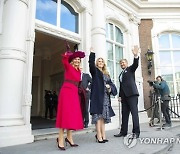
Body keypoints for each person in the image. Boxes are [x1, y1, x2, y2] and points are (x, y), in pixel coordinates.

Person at [55, 45, 85, 151]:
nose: (77, 60)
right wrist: (68, 54)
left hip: (74, 93)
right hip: (66, 92)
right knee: (64, 114)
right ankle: (61, 139)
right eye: (76, 59)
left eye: (78, 59)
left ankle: (69, 138)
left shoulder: (79, 71)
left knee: (71, 115)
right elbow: (64, 61)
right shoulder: (69, 66)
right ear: (72, 60)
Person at [89, 47, 117, 143]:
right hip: (97, 98)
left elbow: (113, 86)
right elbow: (91, 65)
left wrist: (109, 87)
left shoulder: (107, 74)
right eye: (99, 61)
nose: (100, 62)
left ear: (104, 63)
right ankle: (99, 136)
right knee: (98, 118)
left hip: (105, 98)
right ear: (97, 63)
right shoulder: (95, 72)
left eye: (102, 61)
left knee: (103, 118)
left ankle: (103, 135)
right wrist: (92, 53)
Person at [114, 45, 141, 138]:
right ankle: (123, 131)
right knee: (124, 115)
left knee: (134, 114)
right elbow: (121, 86)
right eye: (121, 63)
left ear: (127, 63)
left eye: (123, 62)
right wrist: (120, 96)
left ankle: (136, 132)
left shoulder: (130, 69)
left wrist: (136, 56)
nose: (122, 64)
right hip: (124, 97)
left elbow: (135, 64)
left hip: (132, 95)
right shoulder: (121, 74)